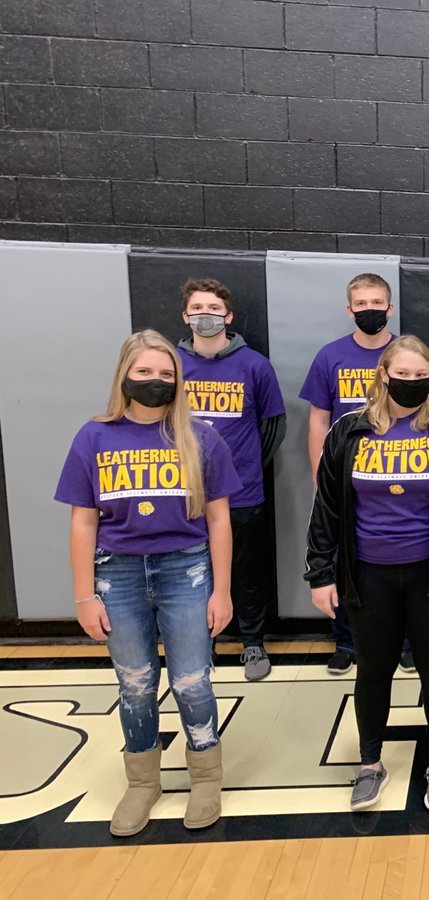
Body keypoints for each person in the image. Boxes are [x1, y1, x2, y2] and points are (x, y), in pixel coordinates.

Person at [54, 330, 242, 836]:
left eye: (165, 374)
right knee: (135, 683)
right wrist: (84, 593)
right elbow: (82, 522)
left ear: (177, 380)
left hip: (187, 569)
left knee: (191, 679)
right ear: (124, 376)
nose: (155, 381)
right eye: (145, 372)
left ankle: (205, 776)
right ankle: (142, 782)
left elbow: (220, 521)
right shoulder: (94, 436)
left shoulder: (199, 436)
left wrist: (221, 590)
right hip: (116, 573)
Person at [305, 336, 429, 812]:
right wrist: (321, 574)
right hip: (368, 578)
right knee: (372, 671)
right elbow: (325, 506)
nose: (411, 382)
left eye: (420, 374)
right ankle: (370, 763)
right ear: (383, 374)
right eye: (401, 374)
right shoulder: (348, 430)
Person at [178, 277, 286, 681]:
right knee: (191, 572)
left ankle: (252, 641)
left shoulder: (254, 365)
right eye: (198, 309)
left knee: (246, 572)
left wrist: (243, 465)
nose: (206, 316)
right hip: (184, 493)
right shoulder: (171, 364)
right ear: (185, 315)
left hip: (242, 490)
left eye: (214, 309)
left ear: (229, 316)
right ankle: (201, 644)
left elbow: (273, 426)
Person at [300, 272, 403, 676]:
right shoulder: (330, 356)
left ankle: (406, 641)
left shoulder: (406, 353)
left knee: (402, 558)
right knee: (344, 560)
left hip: (399, 470)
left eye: (376, 303)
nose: (369, 310)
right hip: (345, 477)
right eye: (361, 304)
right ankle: (345, 640)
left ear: (389, 308)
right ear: (350, 310)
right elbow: (317, 422)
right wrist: (318, 476)